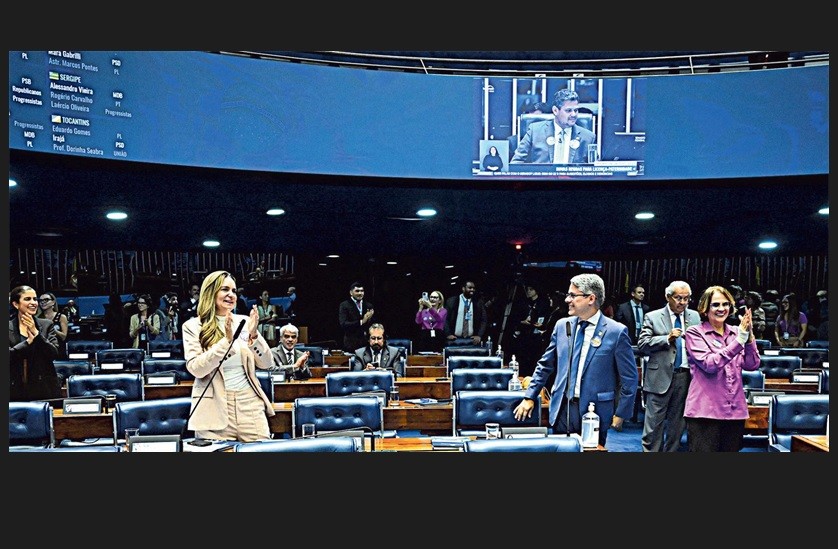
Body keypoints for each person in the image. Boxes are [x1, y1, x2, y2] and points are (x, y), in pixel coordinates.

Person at [512, 274, 637, 447]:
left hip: (595, 411)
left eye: (572, 295)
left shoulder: (616, 332)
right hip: (562, 407)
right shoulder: (562, 326)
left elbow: (629, 378)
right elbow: (545, 364)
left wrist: (622, 413)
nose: (567, 299)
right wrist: (529, 396)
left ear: (591, 298)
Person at [182, 270, 275, 442]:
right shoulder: (193, 326)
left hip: (249, 404)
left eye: (234, 291)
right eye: (225, 289)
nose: (231, 295)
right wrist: (226, 342)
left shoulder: (244, 322)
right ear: (211, 292)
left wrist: (254, 335)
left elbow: (267, 363)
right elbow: (196, 369)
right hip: (213, 407)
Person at [683, 285, 760, 452]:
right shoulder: (694, 333)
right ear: (705, 308)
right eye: (715, 305)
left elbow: (752, 365)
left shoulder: (736, 332)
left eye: (725, 304)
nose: (721, 308)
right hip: (705, 412)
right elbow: (710, 365)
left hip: (735, 411)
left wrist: (749, 337)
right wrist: (739, 341)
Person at [637, 281, 700, 452]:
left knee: (678, 425)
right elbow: (642, 344)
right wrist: (666, 338)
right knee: (653, 426)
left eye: (686, 298)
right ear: (668, 297)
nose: (683, 302)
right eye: (678, 298)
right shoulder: (653, 316)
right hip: (659, 377)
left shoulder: (694, 317)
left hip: (685, 376)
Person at [510, 88, 597, 164]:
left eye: (576, 110)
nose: (573, 114)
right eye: (568, 110)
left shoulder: (588, 137)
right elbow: (516, 162)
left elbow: (595, 170)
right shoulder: (535, 131)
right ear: (555, 111)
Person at [9, 285, 62, 401]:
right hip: (14, 388)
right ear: (16, 304)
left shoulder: (47, 325)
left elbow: (53, 353)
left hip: (44, 387)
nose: (33, 303)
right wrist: (27, 342)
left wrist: (37, 334)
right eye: (27, 299)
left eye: (35, 299)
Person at [512, 284, 551, 377]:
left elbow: (546, 319)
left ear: (536, 290)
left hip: (536, 335)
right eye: (527, 289)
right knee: (522, 358)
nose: (528, 292)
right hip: (523, 334)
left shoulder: (542, 304)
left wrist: (541, 325)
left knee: (534, 359)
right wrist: (522, 322)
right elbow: (515, 318)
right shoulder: (523, 303)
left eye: (531, 289)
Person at [444, 280, 487, 346]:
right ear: (463, 288)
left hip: (472, 340)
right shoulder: (452, 301)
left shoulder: (478, 302)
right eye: (470, 288)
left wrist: (479, 335)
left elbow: (483, 320)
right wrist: (448, 334)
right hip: (454, 339)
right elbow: (445, 319)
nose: (472, 290)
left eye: (473, 288)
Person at [338, 281, 375, 352]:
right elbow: (344, 324)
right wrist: (361, 322)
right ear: (351, 292)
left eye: (362, 291)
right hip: (351, 344)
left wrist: (369, 320)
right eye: (357, 291)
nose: (360, 293)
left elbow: (371, 325)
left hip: (366, 344)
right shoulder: (344, 305)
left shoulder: (368, 305)